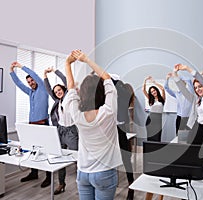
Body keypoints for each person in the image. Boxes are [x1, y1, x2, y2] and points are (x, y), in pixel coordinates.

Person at [63, 50, 122, 200]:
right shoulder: (108, 112)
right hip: (104, 172)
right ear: (102, 92)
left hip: (83, 172)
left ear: (82, 93)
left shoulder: (77, 115)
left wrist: (67, 63)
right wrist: (86, 60)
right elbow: (107, 78)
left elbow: (70, 86)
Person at [10, 61, 51, 188]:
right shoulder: (30, 93)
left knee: (45, 152)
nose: (31, 83)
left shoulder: (43, 88)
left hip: (43, 124)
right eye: (29, 82)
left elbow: (33, 74)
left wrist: (21, 67)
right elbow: (19, 84)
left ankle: (49, 177)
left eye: (32, 81)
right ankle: (34, 173)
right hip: (32, 125)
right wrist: (11, 72)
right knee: (33, 150)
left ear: (36, 80)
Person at [44, 67, 79, 195]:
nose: (58, 92)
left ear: (64, 89)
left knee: (77, 158)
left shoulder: (70, 97)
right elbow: (48, 90)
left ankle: (81, 183)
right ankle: (61, 183)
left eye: (59, 90)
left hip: (71, 131)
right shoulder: (57, 102)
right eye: (56, 91)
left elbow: (66, 79)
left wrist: (55, 71)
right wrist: (44, 76)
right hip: (60, 131)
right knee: (60, 158)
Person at [111, 77, 135, 200]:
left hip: (120, 131)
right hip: (111, 130)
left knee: (126, 160)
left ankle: (131, 186)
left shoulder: (124, 95)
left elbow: (117, 83)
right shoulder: (113, 97)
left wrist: (106, 75)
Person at [142, 76, 165, 142]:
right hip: (150, 120)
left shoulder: (162, 99)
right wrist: (145, 80)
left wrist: (154, 82)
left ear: (156, 90)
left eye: (154, 90)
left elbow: (162, 89)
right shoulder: (151, 99)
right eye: (151, 92)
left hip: (158, 120)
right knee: (150, 137)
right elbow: (143, 90)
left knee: (157, 138)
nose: (153, 92)